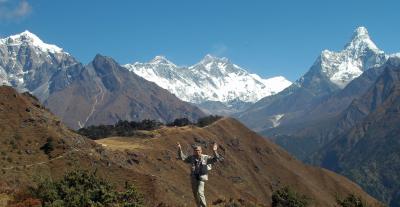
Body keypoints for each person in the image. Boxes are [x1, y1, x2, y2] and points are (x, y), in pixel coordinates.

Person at [177, 142, 223, 207]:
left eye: (198, 150)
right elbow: (183, 158)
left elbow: (215, 159)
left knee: (200, 192)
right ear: (193, 151)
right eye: (195, 150)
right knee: (195, 194)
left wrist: (214, 151)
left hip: (201, 178)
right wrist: (179, 149)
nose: (197, 152)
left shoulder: (205, 158)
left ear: (201, 151)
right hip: (193, 178)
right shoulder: (191, 158)